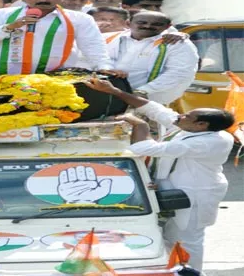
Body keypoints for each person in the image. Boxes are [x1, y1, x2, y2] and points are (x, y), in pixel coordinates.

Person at [84, 78, 235, 272]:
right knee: (168, 237)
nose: (180, 116)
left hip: (196, 195)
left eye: (187, 116)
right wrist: (115, 91)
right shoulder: (190, 127)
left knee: (187, 240)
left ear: (201, 125)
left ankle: (192, 273)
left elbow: (142, 148)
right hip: (175, 189)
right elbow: (154, 109)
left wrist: (141, 126)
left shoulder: (209, 141)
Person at [0, 0, 115, 76]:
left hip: (54, 77)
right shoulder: (1, 14)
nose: (43, 0)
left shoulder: (80, 18)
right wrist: (10, 27)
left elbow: (93, 46)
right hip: (0, 75)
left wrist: (104, 66)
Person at [106, 11, 198, 104]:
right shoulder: (108, 38)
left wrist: (142, 91)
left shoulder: (177, 43)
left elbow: (179, 73)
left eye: (157, 24)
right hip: (104, 94)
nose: (148, 26)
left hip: (146, 102)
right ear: (128, 23)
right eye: (142, 23)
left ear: (167, 26)